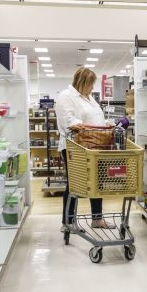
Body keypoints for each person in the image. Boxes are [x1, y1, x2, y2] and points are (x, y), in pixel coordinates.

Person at [56, 67, 126, 229]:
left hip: (96, 146)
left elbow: (96, 118)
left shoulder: (89, 98)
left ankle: (97, 219)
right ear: (82, 82)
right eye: (90, 84)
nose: (92, 87)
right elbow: (69, 121)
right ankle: (67, 222)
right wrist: (88, 127)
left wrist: (107, 124)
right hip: (75, 147)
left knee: (96, 182)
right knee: (75, 184)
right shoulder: (66, 97)